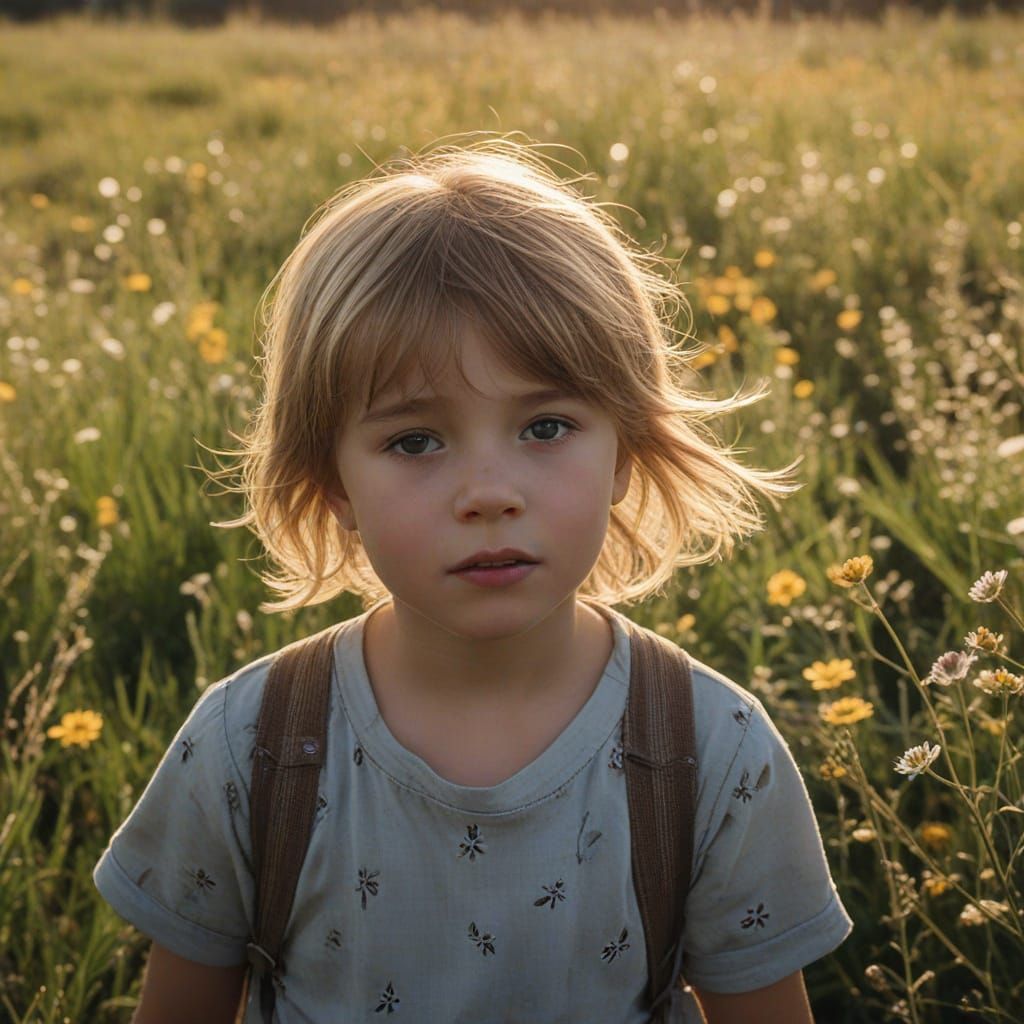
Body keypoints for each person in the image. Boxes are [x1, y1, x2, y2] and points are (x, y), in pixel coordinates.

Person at [93, 136, 853, 1023]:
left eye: (546, 426)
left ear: (624, 452)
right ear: (332, 482)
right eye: (415, 441)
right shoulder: (249, 746)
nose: (489, 494)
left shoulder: (711, 752)